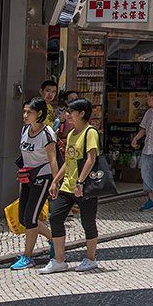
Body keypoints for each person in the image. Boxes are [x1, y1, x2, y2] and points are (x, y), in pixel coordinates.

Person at [42, 99, 101, 274]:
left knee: (88, 222)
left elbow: (91, 159)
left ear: (81, 113)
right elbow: (68, 161)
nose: (67, 114)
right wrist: (56, 181)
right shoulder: (71, 134)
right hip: (67, 186)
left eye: (71, 111)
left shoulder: (90, 132)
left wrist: (80, 182)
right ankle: (59, 260)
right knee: (55, 217)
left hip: (85, 187)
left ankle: (91, 258)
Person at [11, 97, 59, 270]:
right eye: (24, 111)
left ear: (39, 114)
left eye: (29, 112)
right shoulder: (25, 129)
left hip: (43, 177)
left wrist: (55, 182)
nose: (25, 115)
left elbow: (53, 160)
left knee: (31, 217)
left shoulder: (47, 134)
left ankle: (27, 256)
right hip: (27, 177)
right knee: (24, 218)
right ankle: (54, 240)